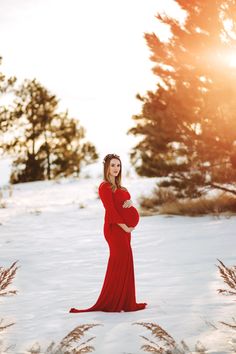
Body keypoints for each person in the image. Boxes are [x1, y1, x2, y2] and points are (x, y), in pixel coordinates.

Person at [69, 153, 147, 313]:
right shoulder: (104, 187)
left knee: (126, 260)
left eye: (118, 165)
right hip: (114, 229)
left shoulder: (121, 188)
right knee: (119, 260)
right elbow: (111, 211)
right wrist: (125, 226)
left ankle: (126, 301)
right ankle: (111, 302)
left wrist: (130, 203)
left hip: (125, 230)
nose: (116, 168)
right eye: (113, 165)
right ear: (107, 167)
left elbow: (122, 204)